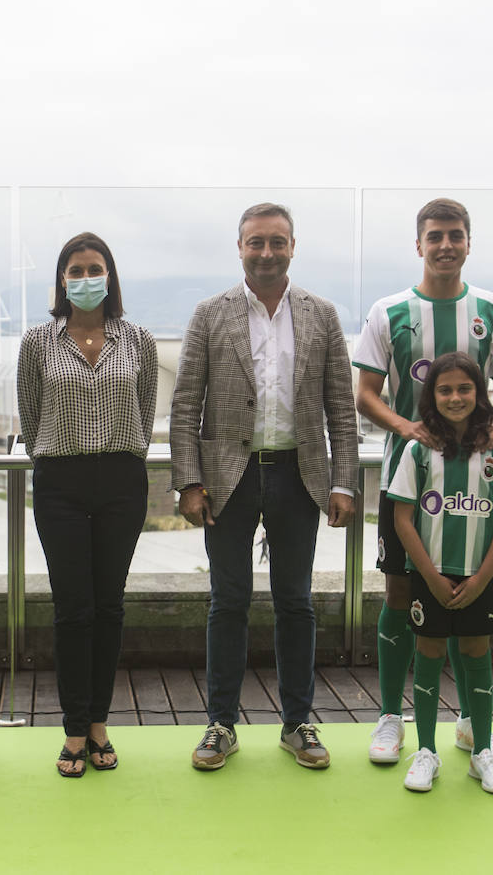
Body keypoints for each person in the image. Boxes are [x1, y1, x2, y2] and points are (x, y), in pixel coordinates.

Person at [170, 202, 358, 771]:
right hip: (230, 475)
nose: (267, 252)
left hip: (299, 474)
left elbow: (341, 409)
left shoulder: (322, 315)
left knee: (295, 603)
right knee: (227, 602)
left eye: (277, 242)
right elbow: (185, 404)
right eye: (256, 242)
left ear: (293, 247)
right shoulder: (210, 314)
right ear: (241, 248)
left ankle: (297, 722)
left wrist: (344, 482)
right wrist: (189, 481)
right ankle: (220, 723)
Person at [353, 198, 493, 766]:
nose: (445, 244)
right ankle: (388, 715)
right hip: (409, 477)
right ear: (419, 244)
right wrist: (411, 430)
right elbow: (365, 395)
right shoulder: (389, 311)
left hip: (472, 485)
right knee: (402, 593)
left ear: (468, 243)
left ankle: (470, 723)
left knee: (465, 590)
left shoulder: (490, 309)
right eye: (435, 235)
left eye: (455, 235)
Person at [17, 232, 158, 777]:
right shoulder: (37, 342)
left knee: (109, 606)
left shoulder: (138, 340)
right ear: (60, 279)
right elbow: (30, 416)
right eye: (74, 270)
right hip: (61, 481)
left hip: (122, 479)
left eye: (93, 268)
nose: (84, 279)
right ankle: (75, 728)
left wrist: (119, 455)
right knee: (72, 608)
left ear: (110, 276)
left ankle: (100, 721)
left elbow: (145, 413)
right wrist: (59, 456)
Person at [388, 352, 493, 795]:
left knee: (476, 655)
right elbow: (403, 519)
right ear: (432, 396)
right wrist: (429, 576)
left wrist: (482, 578)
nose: (455, 397)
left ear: (479, 394)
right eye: (445, 389)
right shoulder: (418, 450)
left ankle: (481, 750)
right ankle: (426, 750)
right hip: (432, 576)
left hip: (477, 576)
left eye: (465, 388)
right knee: (428, 656)